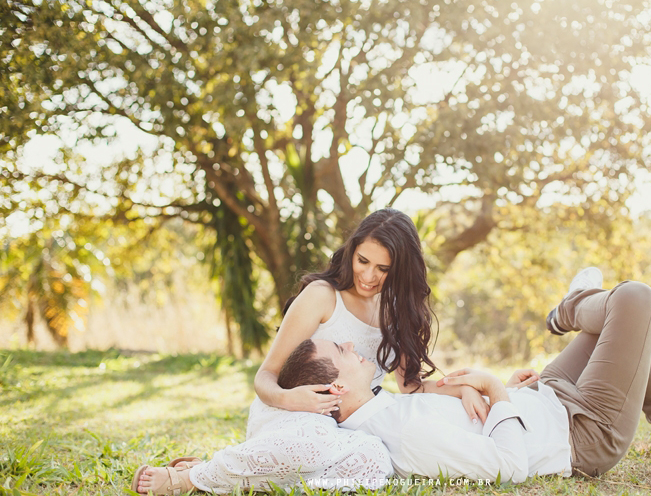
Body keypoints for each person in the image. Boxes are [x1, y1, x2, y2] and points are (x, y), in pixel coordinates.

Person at [133, 208, 488, 495]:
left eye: (383, 269)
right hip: (291, 418)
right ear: (352, 251)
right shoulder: (322, 296)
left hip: (349, 431)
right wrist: (290, 399)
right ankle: (189, 478)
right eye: (363, 261)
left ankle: (248, 477)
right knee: (314, 442)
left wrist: (464, 388)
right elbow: (265, 376)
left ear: (400, 270)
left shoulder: (396, 311)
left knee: (376, 459)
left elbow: (411, 387)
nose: (368, 276)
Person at [276, 268, 651, 482]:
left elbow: (468, 417)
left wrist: (508, 391)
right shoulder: (403, 433)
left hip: (546, 399)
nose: (351, 345)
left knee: (625, 333)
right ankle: (572, 306)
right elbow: (509, 467)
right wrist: (495, 389)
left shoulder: (385, 408)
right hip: (582, 434)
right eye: (340, 350)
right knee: (634, 300)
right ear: (338, 387)